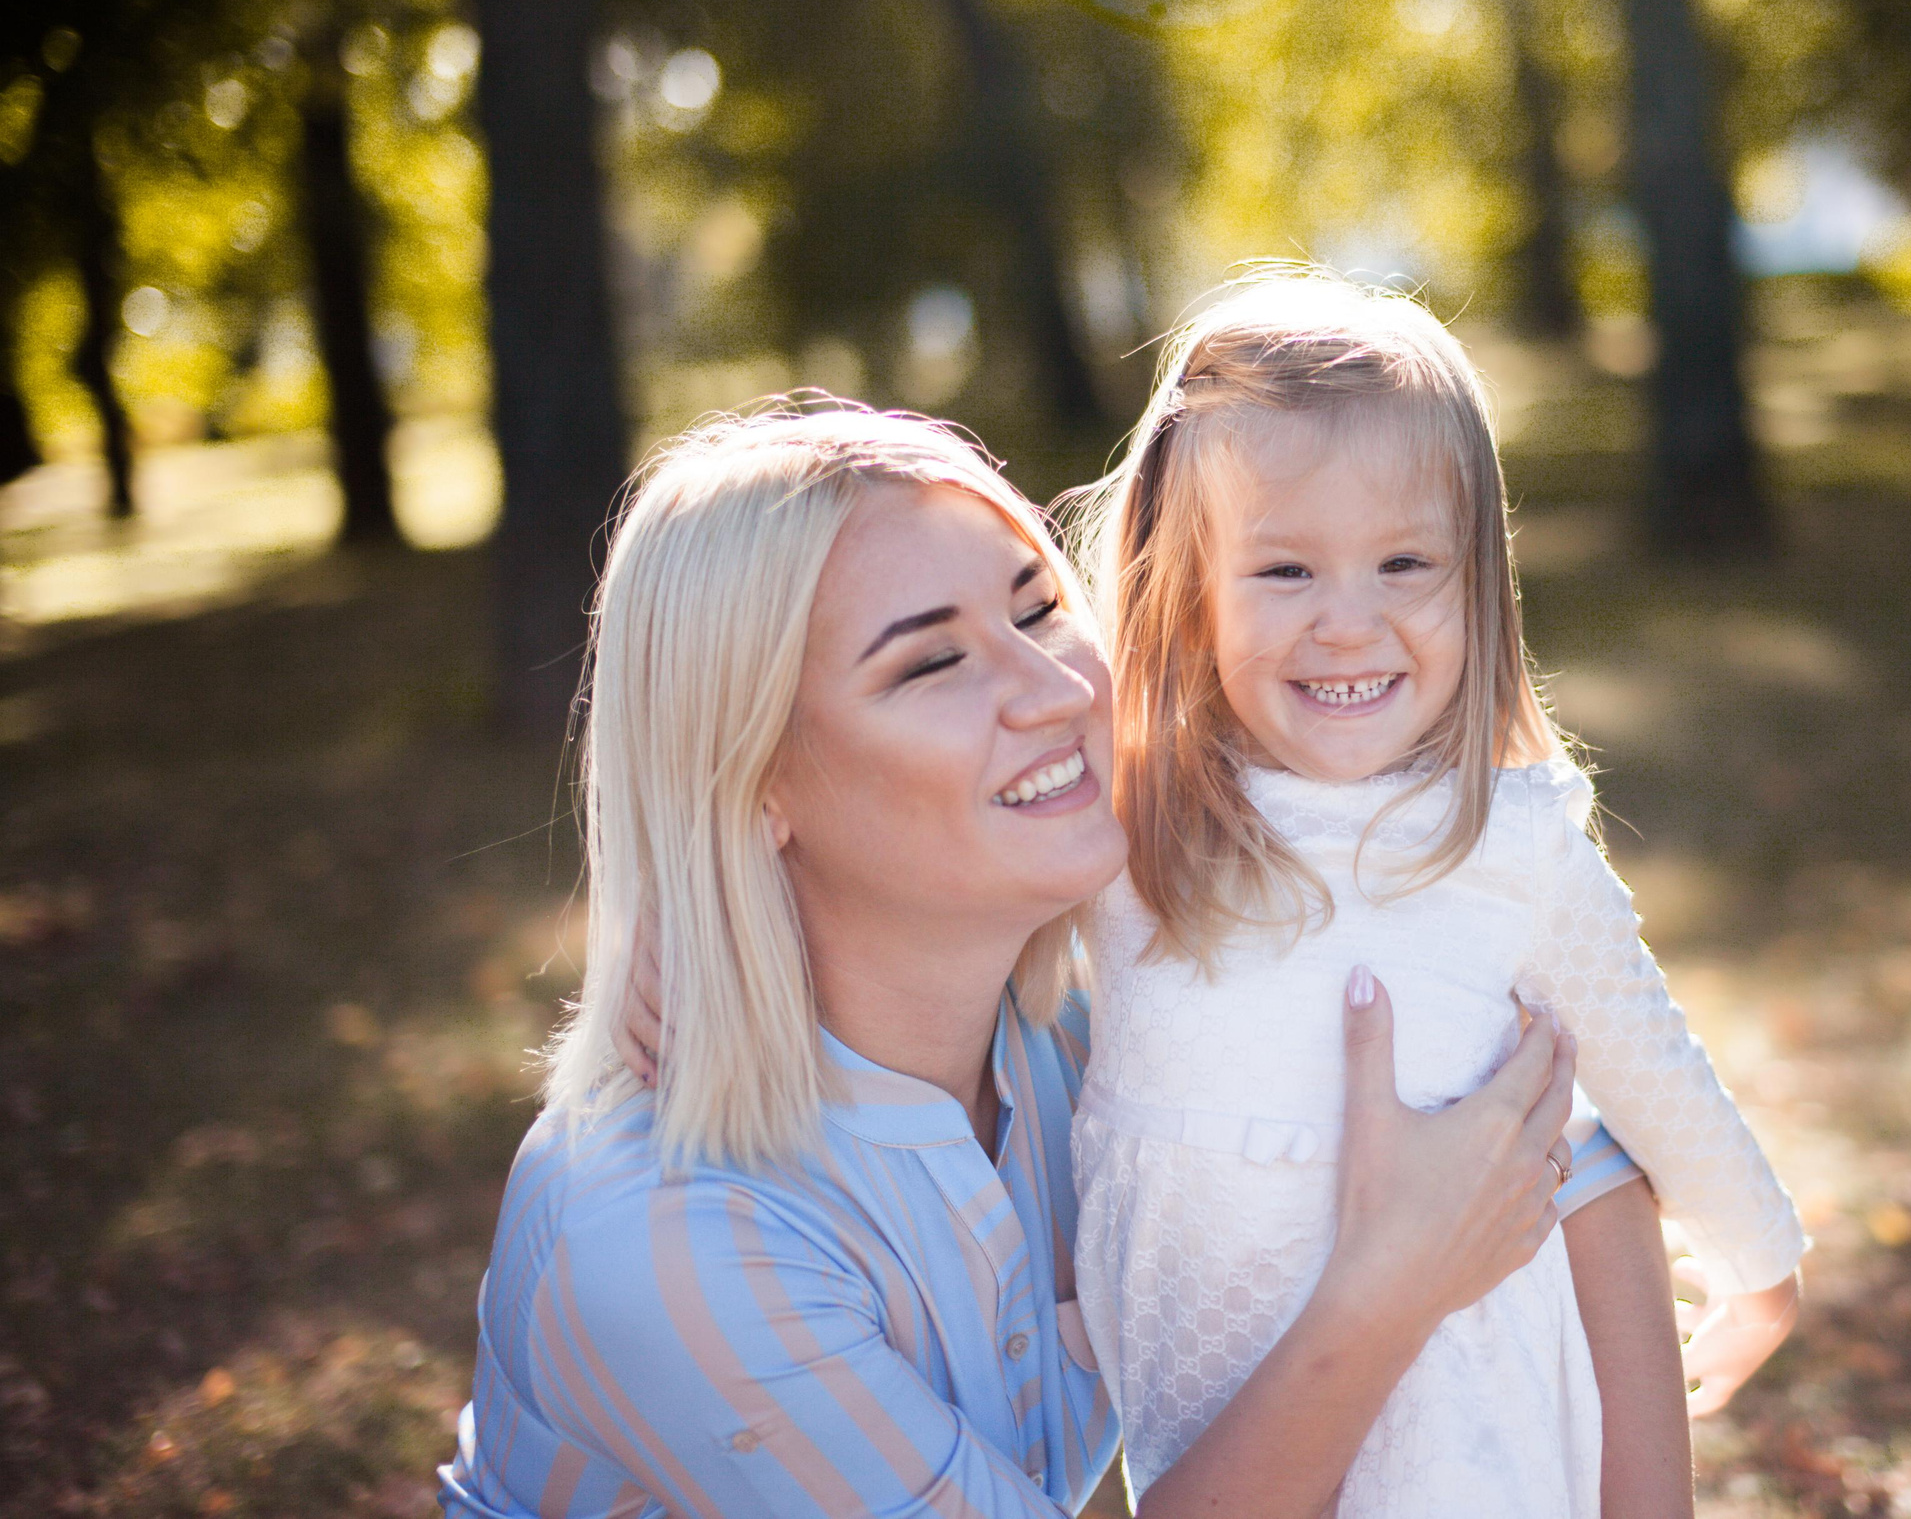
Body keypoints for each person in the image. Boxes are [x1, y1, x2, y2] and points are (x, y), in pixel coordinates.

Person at [435, 404, 1642, 1519]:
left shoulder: (1088, 1037)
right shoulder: (664, 1240)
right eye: (929, 663)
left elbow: (1543, 1114)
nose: (1053, 689)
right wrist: (1382, 1296)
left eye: (1033, 608)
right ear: (749, 785)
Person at [1062, 270, 1809, 1519]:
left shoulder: (1505, 845)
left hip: (1465, 1414)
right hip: (1221, 1389)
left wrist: (1760, 1264)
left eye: (1404, 562)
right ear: (1186, 589)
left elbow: (1646, 1059)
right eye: (1284, 572)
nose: (1348, 623)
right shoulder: (1128, 831)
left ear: (1480, 586)